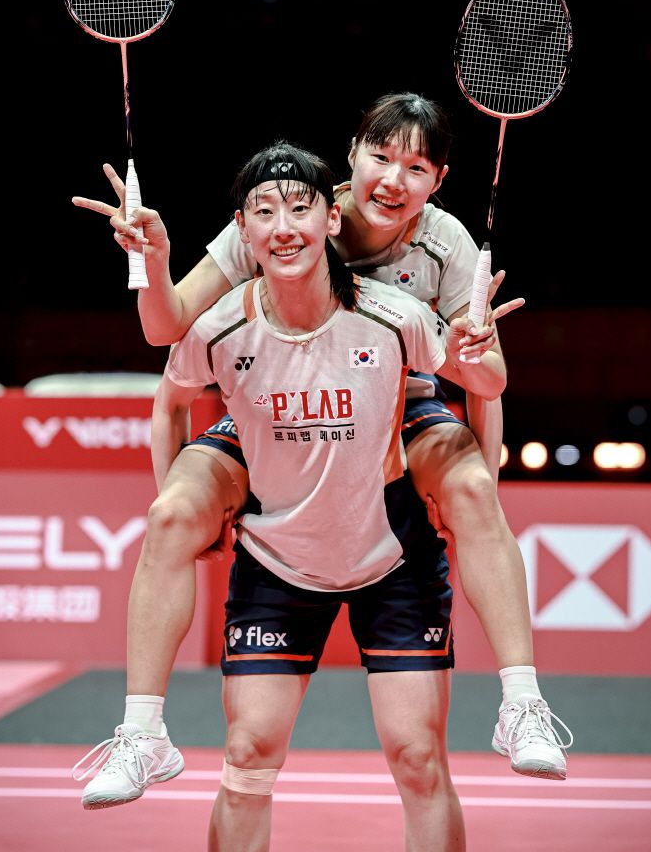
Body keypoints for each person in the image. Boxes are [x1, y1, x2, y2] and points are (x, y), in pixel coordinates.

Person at [71, 94, 573, 806]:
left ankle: (521, 703)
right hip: (275, 411)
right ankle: (142, 733)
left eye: (417, 166)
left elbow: (483, 380)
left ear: (440, 179)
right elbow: (170, 328)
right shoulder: (291, 212)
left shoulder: (446, 245)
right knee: (173, 514)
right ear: (353, 156)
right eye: (381, 155)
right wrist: (153, 260)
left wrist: (484, 482)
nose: (394, 177)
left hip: (397, 406)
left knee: (469, 488)